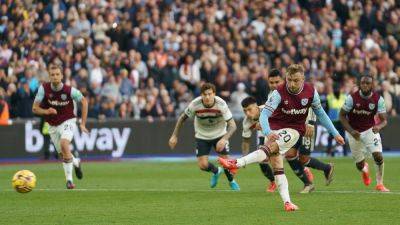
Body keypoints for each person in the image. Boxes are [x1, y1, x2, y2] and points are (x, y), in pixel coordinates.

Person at [219, 64, 345, 211]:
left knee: (273, 149)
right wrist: (267, 131)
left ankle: (236, 163)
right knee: (278, 168)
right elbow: (265, 114)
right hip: (274, 129)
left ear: (303, 79)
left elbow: (321, 114)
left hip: (294, 130)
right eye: (289, 79)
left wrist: (335, 133)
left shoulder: (311, 92)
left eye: (296, 80)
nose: (292, 84)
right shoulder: (278, 92)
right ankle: (287, 203)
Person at [168, 83, 239, 190]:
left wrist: (224, 139)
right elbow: (182, 118)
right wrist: (174, 136)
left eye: (210, 94)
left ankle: (231, 181)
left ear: (214, 94)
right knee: (202, 165)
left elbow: (233, 125)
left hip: (220, 135)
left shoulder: (221, 104)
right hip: (202, 136)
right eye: (204, 94)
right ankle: (216, 171)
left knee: (227, 164)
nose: (207, 97)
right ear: (201, 95)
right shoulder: (195, 104)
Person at [32, 63, 88, 189]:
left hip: (68, 121)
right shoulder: (43, 89)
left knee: (64, 144)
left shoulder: (69, 90)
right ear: (49, 76)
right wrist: (47, 111)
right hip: (52, 124)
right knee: (63, 155)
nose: (55, 77)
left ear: (62, 76)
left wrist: (83, 123)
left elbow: (84, 102)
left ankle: (69, 181)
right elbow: (35, 108)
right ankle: (76, 162)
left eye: (57, 74)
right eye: (52, 75)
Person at [339, 75, 390, 192]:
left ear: (372, 85)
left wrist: (378, 126)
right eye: (363, 83)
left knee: (378, 156)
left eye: (367, 83)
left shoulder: (378, 99)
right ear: (359, 84)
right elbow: (341, 116)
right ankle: (364, 168)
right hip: (354, 132)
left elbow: (384, 120)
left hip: (370, 131)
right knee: (359, 165)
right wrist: (351, 131)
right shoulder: (351, 98)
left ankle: (380, 184)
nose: (365, 85)